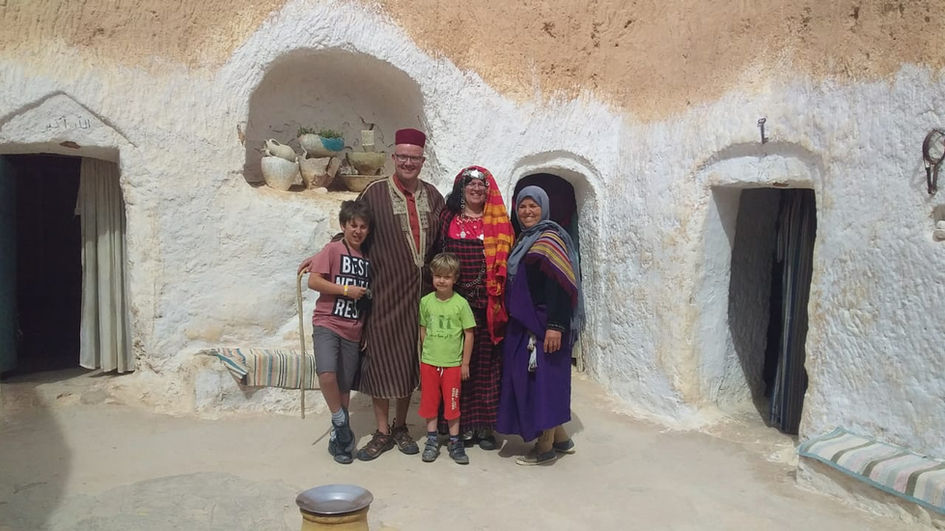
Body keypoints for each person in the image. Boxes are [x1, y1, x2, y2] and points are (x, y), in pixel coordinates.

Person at [300, 128, 445, 461]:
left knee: (408, 360)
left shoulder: (434, 197)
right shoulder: (375, 192)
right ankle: (381, 431)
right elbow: (354, 229)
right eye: (402, 156)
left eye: (414, 157)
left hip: (420, 294)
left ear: (423, 160)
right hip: (382, 291)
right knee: (380, 359)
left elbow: (442, 241)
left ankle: (400, 426)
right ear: (394, 158)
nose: (408, 162)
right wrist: (324, 252)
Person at [496, 185, 585, 466]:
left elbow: (560, 287)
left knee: (543, 384)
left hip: (545, 326)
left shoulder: (549, 240)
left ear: (544, 207)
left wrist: (555, 326)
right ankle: (561, 438)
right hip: (526, 322)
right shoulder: (525, 238)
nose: (527, 211)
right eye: (522, 206)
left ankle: (544, 447)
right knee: (540, 381)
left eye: (533, 206)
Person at [433, 166, 513, 450]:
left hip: (487, 306)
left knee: (486, 366)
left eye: (482, 185)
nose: (477, 189)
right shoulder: (448, 218)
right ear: (462, 188)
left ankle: (484, 427)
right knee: (456, 365)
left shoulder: (499, 224)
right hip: (453, 304)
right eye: (471, 184)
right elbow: (435, 254)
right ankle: (459, 425)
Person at [305, 200, 373, 464]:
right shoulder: (333, 250)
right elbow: (314, 280)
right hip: (328, 322)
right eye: (353, 225)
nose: (358, 231)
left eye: (363, 227)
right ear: (343, 225)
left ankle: (340, 442)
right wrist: (346, 290)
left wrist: (364, 328)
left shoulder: (368, 258)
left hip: (353, 328)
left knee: (344, 386)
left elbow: (366, 299)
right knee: (327, 373)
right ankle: (340, 419)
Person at [417, 253, 476, 464]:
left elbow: (469, 334)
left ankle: (454, 441)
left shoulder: (461, 304)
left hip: (452, 365)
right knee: (430, 403)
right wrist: (426, 355)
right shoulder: (425, 302)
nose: (441, 280)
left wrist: (465, 363)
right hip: (430, 363)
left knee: (452, 404)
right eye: (438, 276)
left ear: (455, 278)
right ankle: (432, 440)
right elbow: (423, 329)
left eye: (447, 277)